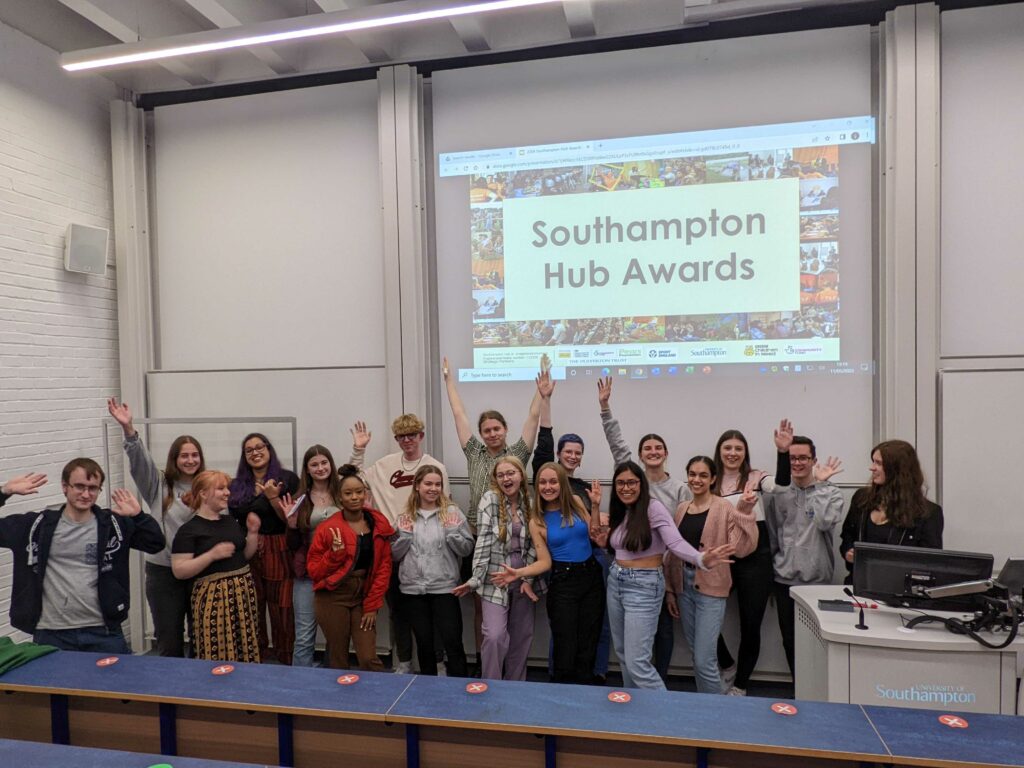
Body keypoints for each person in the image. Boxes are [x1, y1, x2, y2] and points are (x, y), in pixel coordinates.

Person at [592, 461, 735, 690]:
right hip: (616, 580)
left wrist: (700, 558)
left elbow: (675, 542)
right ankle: (636, 712)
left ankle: (666, 719)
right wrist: (602, 528)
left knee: (638, 662)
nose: (625, 488)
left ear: (641, 484)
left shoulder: (652, 507)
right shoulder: (622, 510)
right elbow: (617, 546)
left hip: (643, 585)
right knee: (624, 655)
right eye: (620, 483)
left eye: (631, 482)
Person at [442, 356, 546, 667]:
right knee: (483, 607)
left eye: (496, 428)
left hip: (514, 538)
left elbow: (532, 419)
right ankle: (486, 660)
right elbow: (458, 414)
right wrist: (448, 380)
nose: (491, 434)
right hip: (478, 537)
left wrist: (541, 393)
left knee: (514, 608)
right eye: (486, 429)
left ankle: (509, 666)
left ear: (504, 429)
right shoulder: (473, 451)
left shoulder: (515, 456)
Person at [0, 460, 163, 652]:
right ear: (64, 487)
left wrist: (138, 516)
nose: (86, 494)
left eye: (93, 488)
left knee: (115, 682)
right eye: (79, 486)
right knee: (51, 683)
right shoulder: (36, 527)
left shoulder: (113, 525)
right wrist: (4, 492)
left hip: (104, 632)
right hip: (52, 633)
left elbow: (156, 543)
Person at [597, 376, 689, 681]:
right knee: (630, 649)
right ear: (639, 456)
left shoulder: (678, 489)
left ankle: (654, 690)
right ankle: (638, 696)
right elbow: (616, 443)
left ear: (665, 453)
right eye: (647, 448)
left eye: (658, 447)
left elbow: (678, 537)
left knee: (662, 635)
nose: (652, 451)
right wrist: (605, 408)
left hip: (662, 572)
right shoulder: (631, 483)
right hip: (627, 574)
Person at [348, 414, 449, 674]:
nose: (407, 441)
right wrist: (359, 449)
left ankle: (437, 662)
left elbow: (445, 504)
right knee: (399, 610)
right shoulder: (385, 465)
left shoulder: (435, 467)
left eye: (412, 436)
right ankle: (403, 662)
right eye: (401, 437)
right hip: (392, 547)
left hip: (428, 546)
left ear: (421, 436)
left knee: (433, 612)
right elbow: (353, 479)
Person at [108, 397, 206, 658]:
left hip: (201, 571)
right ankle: (170, 696)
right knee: (169, 639)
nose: (190, 460)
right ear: (175, 458)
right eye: (184, 455)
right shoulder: (159, 484)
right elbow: (141, 462)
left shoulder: (208, 487)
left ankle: (200, 694)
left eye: (194, 455)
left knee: (202, 638)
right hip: (164, 573)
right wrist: (129, 430)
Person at [495, 462, 598, 684]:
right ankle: (562, 703)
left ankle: (586, 699)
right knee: (565, 645)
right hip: (563, 583)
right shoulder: (537, 521)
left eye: (553, 481)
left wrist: (596, 507)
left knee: (588, 642)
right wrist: (520, 573)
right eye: (543, 482)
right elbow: (545, 562)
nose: (548, 486)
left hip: (592, 578)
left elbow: (595, 534)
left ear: (562, 483)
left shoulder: (578, 503)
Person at [713, 421, 793, 696]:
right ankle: (726, 665)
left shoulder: (756, 477)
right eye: (727, 447)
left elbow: (782, 486)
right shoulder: (709, 479)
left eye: (738, 448)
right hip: (722, 556)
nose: (732, 453)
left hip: (755, 560)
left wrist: (783, 452)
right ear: (719, 451)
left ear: (744, 452)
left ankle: (740, 685)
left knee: (751, 625)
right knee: (703, 618)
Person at [665, 457, 758, 693]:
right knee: (697, 656)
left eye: (703, 475)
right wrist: (670, 591)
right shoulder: (681, 508)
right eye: (692, 474)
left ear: (713, 479)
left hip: (711, 590)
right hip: (684, 588)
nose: (697, 480)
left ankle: (716, 717)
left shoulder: (723, 507)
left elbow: (741, 546)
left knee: (704, 660)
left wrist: (745, 511)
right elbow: (673, 551)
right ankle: (705, 707)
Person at [453, 457, 540, 681]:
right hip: (495, 576)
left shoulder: (529, 502)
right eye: (500, 475)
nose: (506, 478)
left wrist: (528, 577)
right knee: (494, 636)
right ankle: (491, 684)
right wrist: (476, 578)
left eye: (510, 473)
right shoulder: (489, 500)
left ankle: (515, 686)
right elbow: (483, 542)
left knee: (521, 637)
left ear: (521, 475)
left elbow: (534, 545)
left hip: (523, 578)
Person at [765, 436, 844, 675]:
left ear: (813, 460)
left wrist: (819, 487)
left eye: (803, 458)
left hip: (817, 581)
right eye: (792, 458)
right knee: (789, 641)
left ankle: (816, 692)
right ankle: (797, 690)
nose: (797, 463)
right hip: (784, 579)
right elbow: (772, 534)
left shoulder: (831, 493)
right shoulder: (778, 494)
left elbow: (823, 522)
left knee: (816, 642)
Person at [305, 464, 394, 671]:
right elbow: (314, 571)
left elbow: (383, 569)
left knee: (368, 657)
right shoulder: (327, 528)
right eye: (348, 493)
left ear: (365, 494)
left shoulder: (379, 524)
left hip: (363, 595)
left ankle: (377, 701)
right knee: (338, 656)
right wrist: (334, 556)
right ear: (340, 497)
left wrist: (372, 606)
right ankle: (339, 702)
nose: (355, 497)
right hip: (332, 597)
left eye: (359, 492)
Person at [392, 465, 474, 677]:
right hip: (413, 590)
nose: (433, 488)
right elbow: (393, 554)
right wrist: (405, 537)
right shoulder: (404, 516)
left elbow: (466, 549)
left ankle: (461, 689)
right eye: (428, 483)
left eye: (438, 484)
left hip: (445, 589)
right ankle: (427, 692)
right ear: (417, 486)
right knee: (424, 643)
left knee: (452, 641)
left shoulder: (453, 513)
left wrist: (452, 533)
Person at [172, 470, 261, 663]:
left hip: (242, 596)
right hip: (214, 601)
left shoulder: (230, 521)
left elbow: (244, 556)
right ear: (203, 493)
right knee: (216, 652)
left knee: (245, 647)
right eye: (220, 488)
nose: (227, 493)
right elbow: (179, 570)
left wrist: (253, 534)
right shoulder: (188, 530)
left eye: (227, 488)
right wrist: (211, 555)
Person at [228, 433, 299, 665]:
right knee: (252, 606)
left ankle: (286, 658)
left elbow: (289, 515)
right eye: (249, 450)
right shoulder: (237, 485)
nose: (255, 452)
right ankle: (255, 657)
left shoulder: (286, 479)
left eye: (260, 447)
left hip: (279, 547)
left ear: (269, 449)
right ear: (244, 455)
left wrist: (268, 499)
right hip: (248, 548)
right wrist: (262, 498)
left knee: (283, 608)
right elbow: (237, 513)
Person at [840, 439, 943, 582]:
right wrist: (848, 551)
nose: (872, 468)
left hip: (899, 591)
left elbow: (930, 562)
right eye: (873, 461)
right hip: (858, 586)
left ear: (897, 469)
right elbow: (848, 535)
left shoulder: (928, 513)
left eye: (878, 463)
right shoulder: (861, 499)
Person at [287, 445, 342, 668]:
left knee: (336, 636)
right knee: (304, 635)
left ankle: (331, 683)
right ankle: (300, 689)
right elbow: (292, 545)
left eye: (324, 463)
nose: (320, 468)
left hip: (339, 573)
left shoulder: (342, 493)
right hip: (308, 574)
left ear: (331, 464)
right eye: (314, 464)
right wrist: (290, 526)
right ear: (307, 470)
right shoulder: (300, 499)